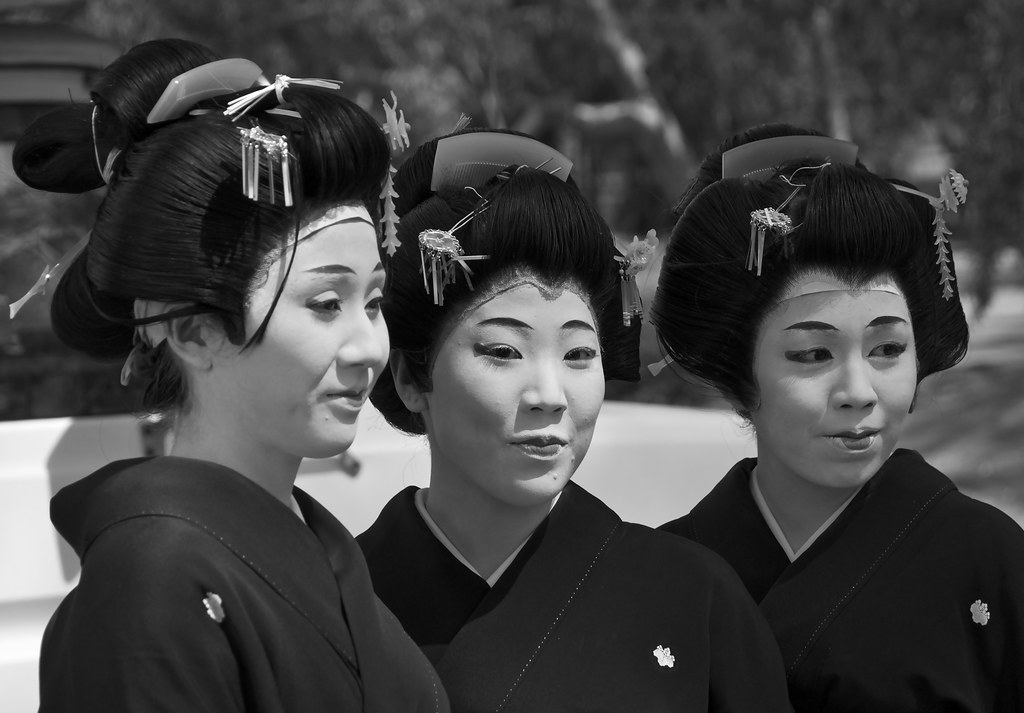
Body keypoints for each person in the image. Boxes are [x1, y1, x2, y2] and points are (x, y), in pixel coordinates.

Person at [12, 38, 448, 713]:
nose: (369, 347)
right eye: (325, 303)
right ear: (192, 331)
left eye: (372, 302)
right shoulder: (148, 585)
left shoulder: (316, 544)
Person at [357, 128, 793, 712]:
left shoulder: (693, 595)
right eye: (503, 352)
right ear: (411, 377)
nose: (550, 395)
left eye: (579, 354)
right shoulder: (335, 602)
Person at [651, 123, 1024, 712]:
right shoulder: (659, 578)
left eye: (888, 349)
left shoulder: (990, 560)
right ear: (736, 367)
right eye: (812, 355)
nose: (858, 392)